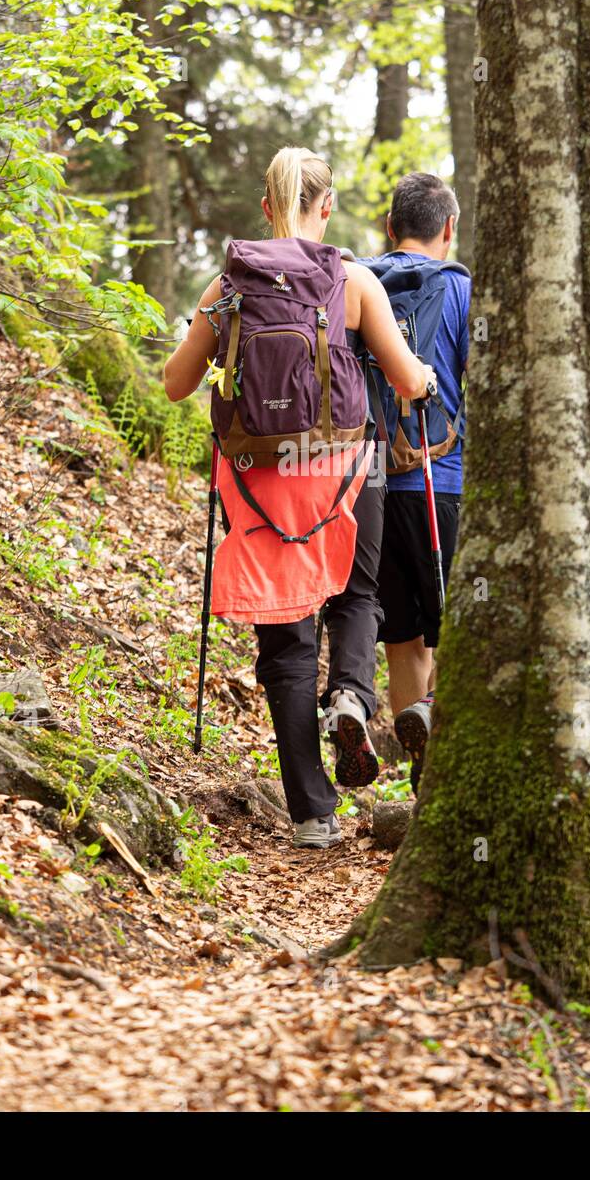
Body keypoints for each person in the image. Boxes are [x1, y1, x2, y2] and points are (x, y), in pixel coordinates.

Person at [164, 147, 434, 849]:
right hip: (345, 466)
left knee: (283, 635)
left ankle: (312, 813)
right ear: (327, 206)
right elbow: (406, 382)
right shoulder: (353, 281)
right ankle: (349, 693)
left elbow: (173, 384)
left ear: (265, 208)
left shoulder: (227, 286)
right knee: (356, 591)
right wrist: (426, 379)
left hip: (257, 477)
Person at [361, 173, 470, 791]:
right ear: (448, 229)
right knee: (449, 631)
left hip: (368, 486)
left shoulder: (357, 283)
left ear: (389, 226)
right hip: (440, 481)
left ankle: (420, 769)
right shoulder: (460, 290)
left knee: (401, 637)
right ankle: (440, 773)